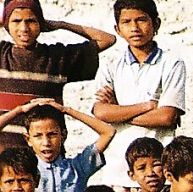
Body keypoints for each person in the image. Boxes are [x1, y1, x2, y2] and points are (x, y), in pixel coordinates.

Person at [89, 0, 184, 192]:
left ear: (156, 24)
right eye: (127, 22)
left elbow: (166, 117)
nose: (134, 28)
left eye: (141, 20)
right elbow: (100, 112)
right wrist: (147, 106)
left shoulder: (171, 64)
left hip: (158, 172)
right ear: (118, 29)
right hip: (117, 169)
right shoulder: (111, 64)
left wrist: (118, 111)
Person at [0, 0, 114, 148]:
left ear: (41, 23)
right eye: (16, 21)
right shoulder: (2, 54)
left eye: (31, 21)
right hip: (5, 156)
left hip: (46, 154)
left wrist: (61, 25)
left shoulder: (57, 58)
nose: (24, 28)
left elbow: (108, 39)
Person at [8, 100, 115, 192]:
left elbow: (108, 132)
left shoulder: (78, 167)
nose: (46, 143)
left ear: (63, 136)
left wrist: (67, 110)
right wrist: (19, 110)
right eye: (38, 136)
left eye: (52, 134)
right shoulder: (23, 171)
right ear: (28, 139)